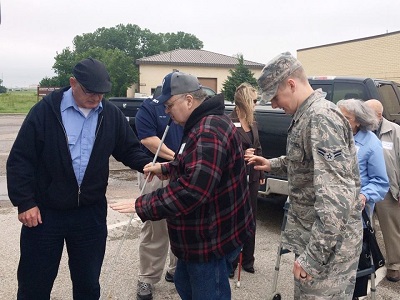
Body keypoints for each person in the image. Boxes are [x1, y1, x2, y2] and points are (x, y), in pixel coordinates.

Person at [6, 57, 152, 300]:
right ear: (73, 82)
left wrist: (147, 164)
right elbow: (21, 159)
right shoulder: (45, 112)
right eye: (90, 92)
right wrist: (25, 202)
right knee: (35, 283)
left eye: (101, 94)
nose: (96, 99)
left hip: (89, 214)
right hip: (45, 213)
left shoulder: (110, 115)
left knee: (87, 284)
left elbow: (129, 149)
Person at [111, 71, 254, 300]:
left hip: (209, 240)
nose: (167, 113)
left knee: (207, 292)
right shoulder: (203, 123)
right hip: (197, 239)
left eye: (169, 105)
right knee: (183, 282)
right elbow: (194, 164)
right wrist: (167, 168)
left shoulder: (208, 130)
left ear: (189, 100)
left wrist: (142, 205)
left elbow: (192, 191)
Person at [247, 52, 363, 299]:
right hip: (314, 238)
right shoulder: (306, 115)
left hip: (329, 251)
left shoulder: (320, 118)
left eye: (275, 97)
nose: (275, 105)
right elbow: (303, 162)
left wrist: (313, 257)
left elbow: (336, 199)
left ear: (291, 84)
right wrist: (271, 164)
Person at [337, 99, 389, 298]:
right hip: (333, 214)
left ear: (358, 121)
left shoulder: (371, 143)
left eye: (347, 118)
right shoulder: (336, 137)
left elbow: (380, 181)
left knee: (354, 267)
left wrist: (364, 195)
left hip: (356, 218)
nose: (341, 121)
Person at [134, 93, 183, 299]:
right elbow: (148, 140)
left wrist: (183, 163)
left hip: (182, 170)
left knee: (182, 222)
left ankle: (176, 269)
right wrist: (178, 159)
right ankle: (147, 277)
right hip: (155, 170)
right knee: (155, 226)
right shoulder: (149, 108)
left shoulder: (188, 107)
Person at [228, 82, 265, 277]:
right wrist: (241, 153)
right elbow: (225, 149)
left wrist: (260, 173)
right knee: (235, 220)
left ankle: (248, 260)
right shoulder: (228, 122)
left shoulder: (253, 123)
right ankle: (231, 261)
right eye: (254, 101)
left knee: (251, 218)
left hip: (252, 177)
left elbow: (258, 147)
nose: (257, 104)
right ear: (244, 102)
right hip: (235, 178)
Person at [365, 99, 400, 282]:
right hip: (368, 188)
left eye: (368, 113)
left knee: (391, 228)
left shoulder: (394, 131)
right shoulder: (362, 131)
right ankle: (370, 262)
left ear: (379, 115)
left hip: (388, 189)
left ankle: (395, 265)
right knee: (367, 228)